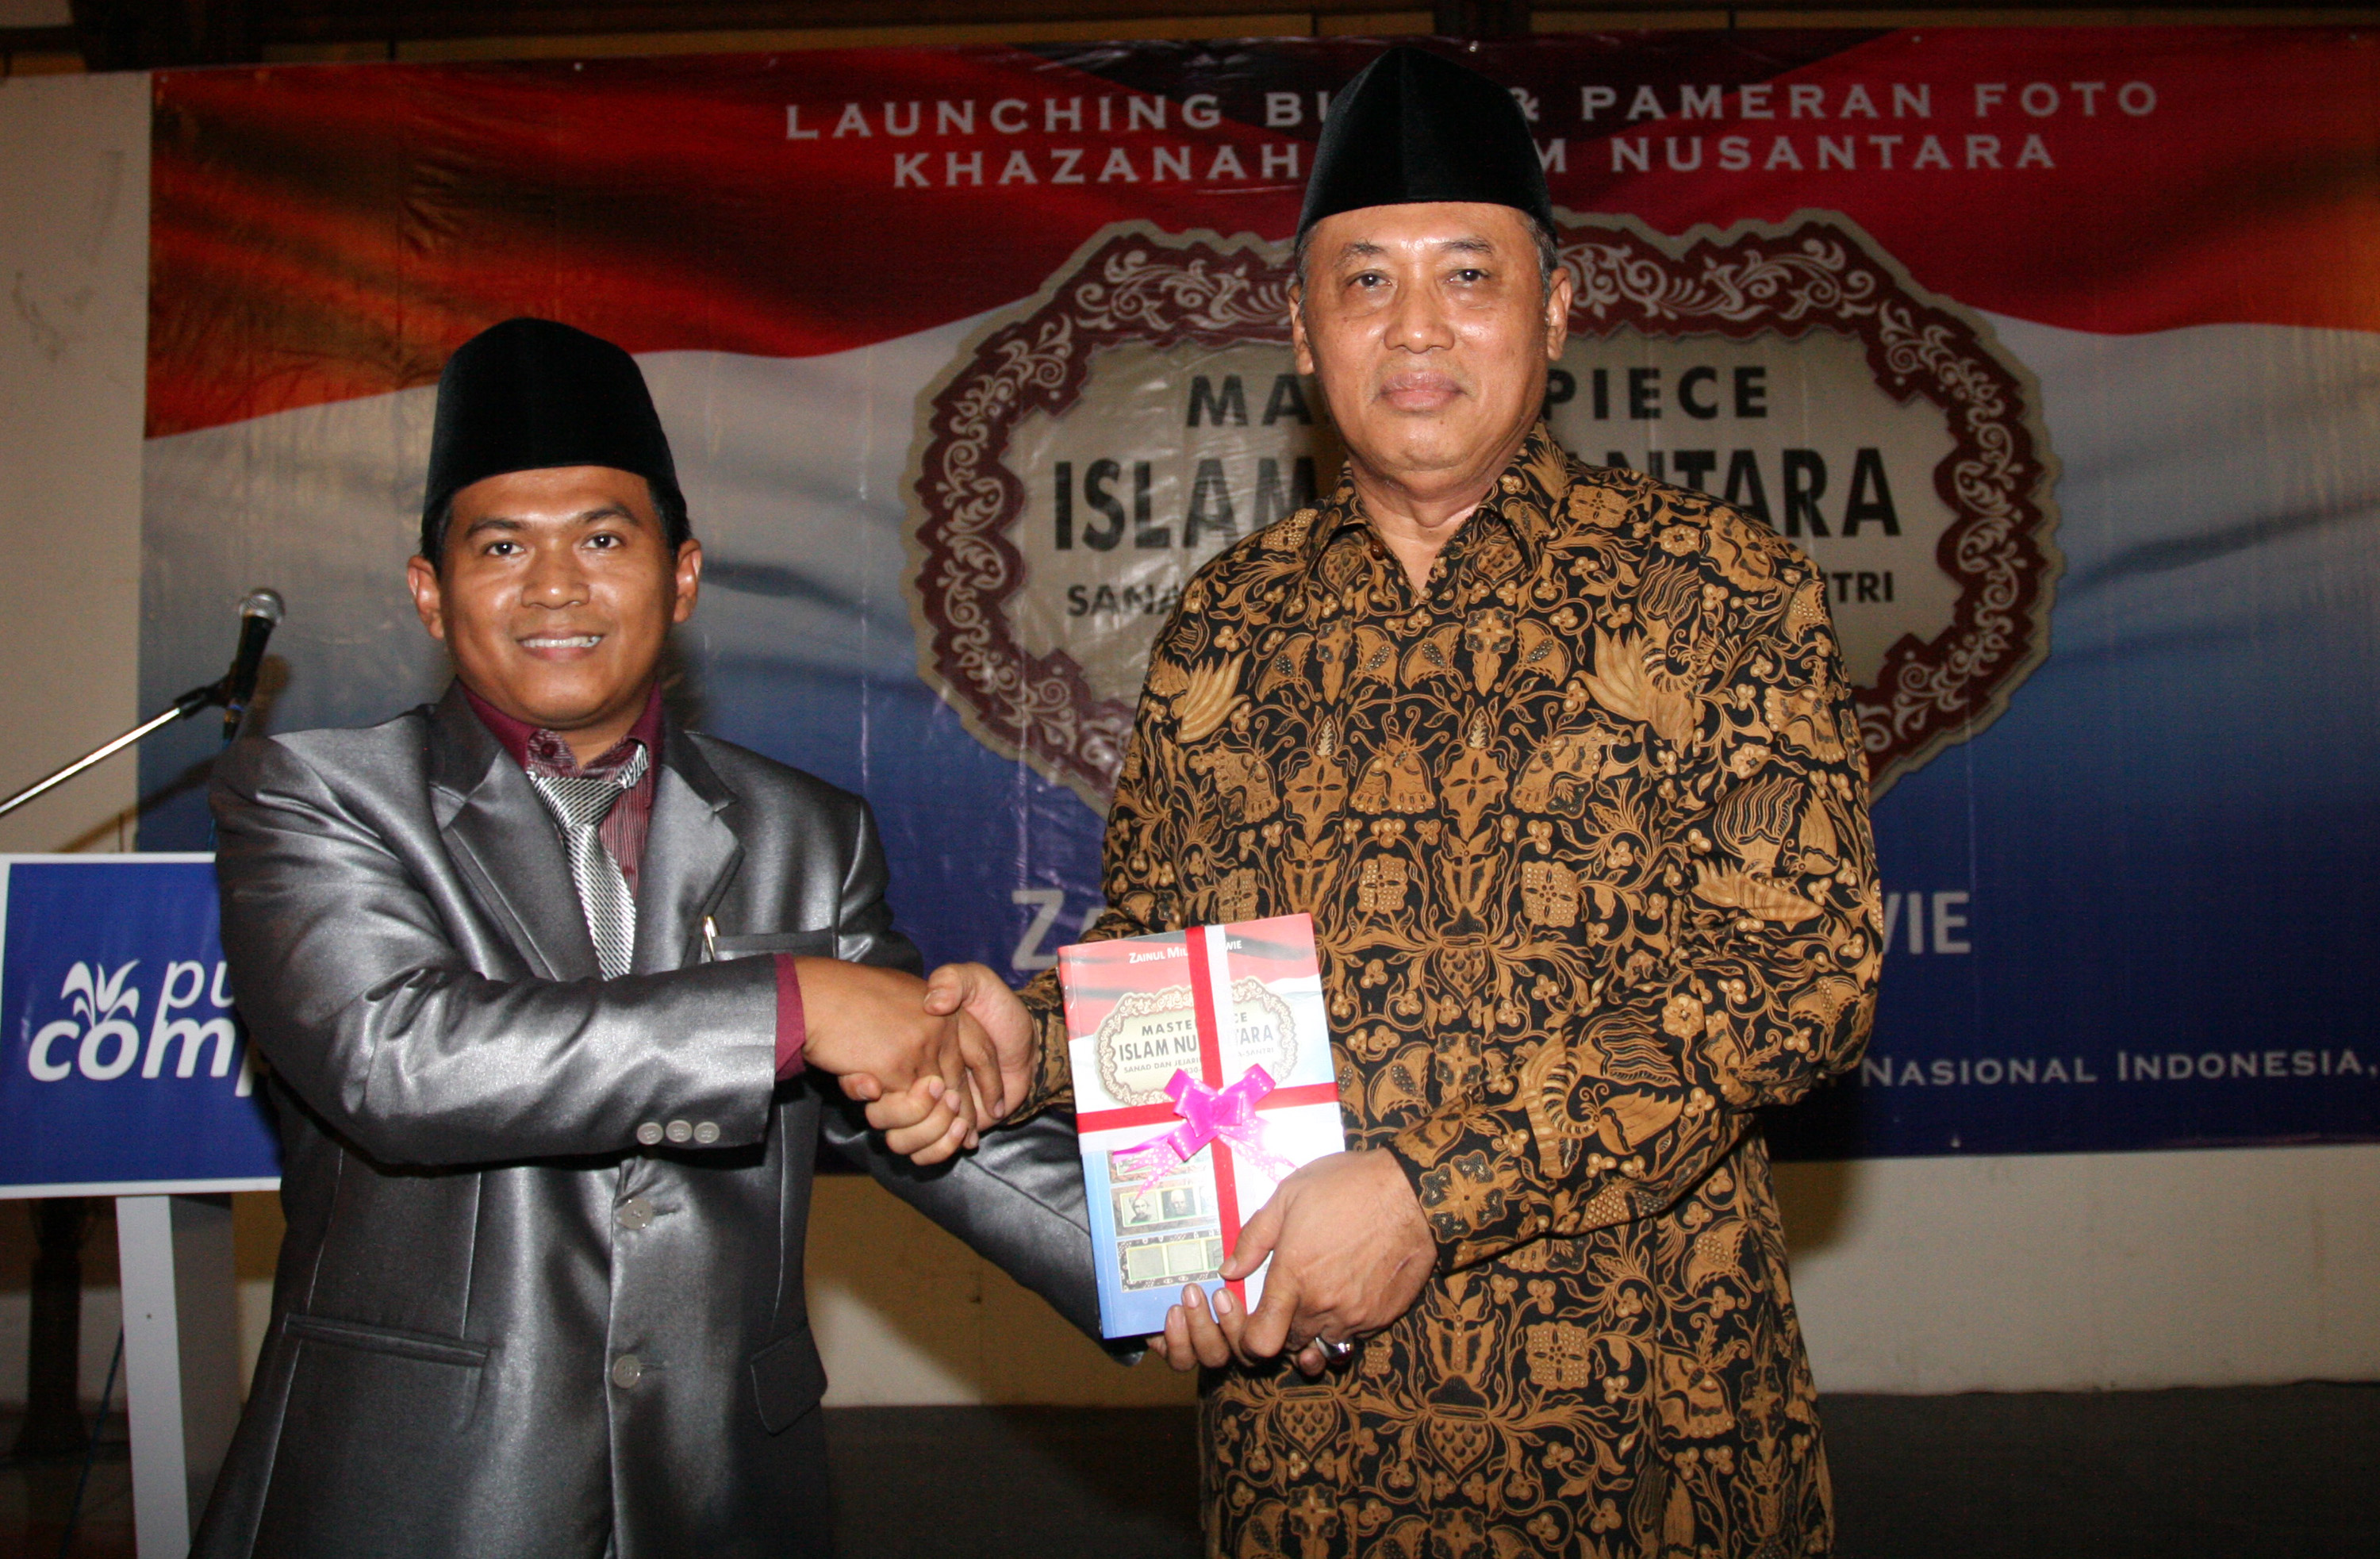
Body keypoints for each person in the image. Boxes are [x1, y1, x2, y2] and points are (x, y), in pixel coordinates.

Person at [931, 46, 1880, 1557]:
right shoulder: (1226, 626)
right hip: (1308, 1444)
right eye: (1365, 281)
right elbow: (1171, 977)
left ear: (1556, 309)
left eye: (1468, 275)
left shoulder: (1716, 591)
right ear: (1303, 331)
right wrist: (1023, 1048)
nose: (1417, 326)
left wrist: (1431, 1193)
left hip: (1648, 1435)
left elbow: (1796, 978)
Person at [196, 318, 1096, 1558]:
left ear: (682, 576)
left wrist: (1193, 1268)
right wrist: (797, 1003)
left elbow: (930, 1116)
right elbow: (398, 1058)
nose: (554, 586)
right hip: (419, 1493)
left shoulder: (806, 832)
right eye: (500, 544)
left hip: (720, 1489)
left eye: (603, 538)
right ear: (429, 591)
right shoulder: (318, 797)